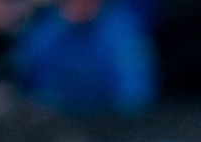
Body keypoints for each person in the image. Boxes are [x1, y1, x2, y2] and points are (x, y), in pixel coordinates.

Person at [15, 0, 155, 112]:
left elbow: (135, 94)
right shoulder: (43, 34)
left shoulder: (122, 32)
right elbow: (24, 83)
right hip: (53, 129)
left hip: (110, 129)